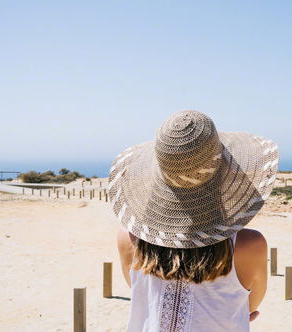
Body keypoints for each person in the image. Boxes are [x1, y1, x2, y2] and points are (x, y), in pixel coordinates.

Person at [108, 110, 279, 331]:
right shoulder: (250, 245)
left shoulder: (128, 239)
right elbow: (250, 305)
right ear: (227, 173)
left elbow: (141, 295)